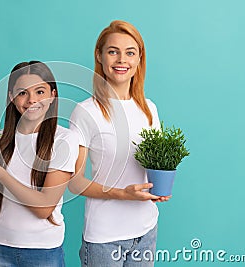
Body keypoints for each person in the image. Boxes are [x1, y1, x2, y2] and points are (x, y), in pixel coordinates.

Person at [0, 61, 79, 267]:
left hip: (43, 251)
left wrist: (1, 175)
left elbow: (44, 208)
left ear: (53, 95)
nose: (32, 100)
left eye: (40, 92)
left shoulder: (64, 140)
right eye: (23, 93)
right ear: (12, 97)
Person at [68, 20, 170, 267]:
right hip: (104, 238)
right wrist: (122, 194)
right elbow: (74, 182)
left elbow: (155, 165)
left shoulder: (149, 110)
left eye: (130, 52)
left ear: (139, 59)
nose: (121, 60)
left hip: (146, 231)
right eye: (113, 51)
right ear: (100, 56)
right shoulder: (86, 112)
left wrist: (162, 183)